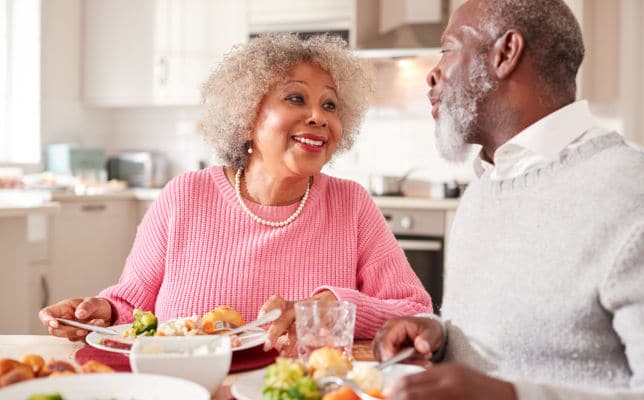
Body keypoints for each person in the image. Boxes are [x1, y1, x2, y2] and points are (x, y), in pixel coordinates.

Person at [373, 0, 644, 399]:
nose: (432, 75)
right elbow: (507, 339)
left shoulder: (641, 195)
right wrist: (440, 335)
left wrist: (511, 395)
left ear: (506, 53)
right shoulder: (488, 185)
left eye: (448, 50)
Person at [39, 33, 432, 354]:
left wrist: (333, 307)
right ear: (247, 119)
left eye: (330, 105)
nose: (319, 117)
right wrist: (99, 312)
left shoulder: (351, 205)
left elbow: (417, 312)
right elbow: (131, 305)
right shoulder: (184, 195)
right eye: (296, 98)